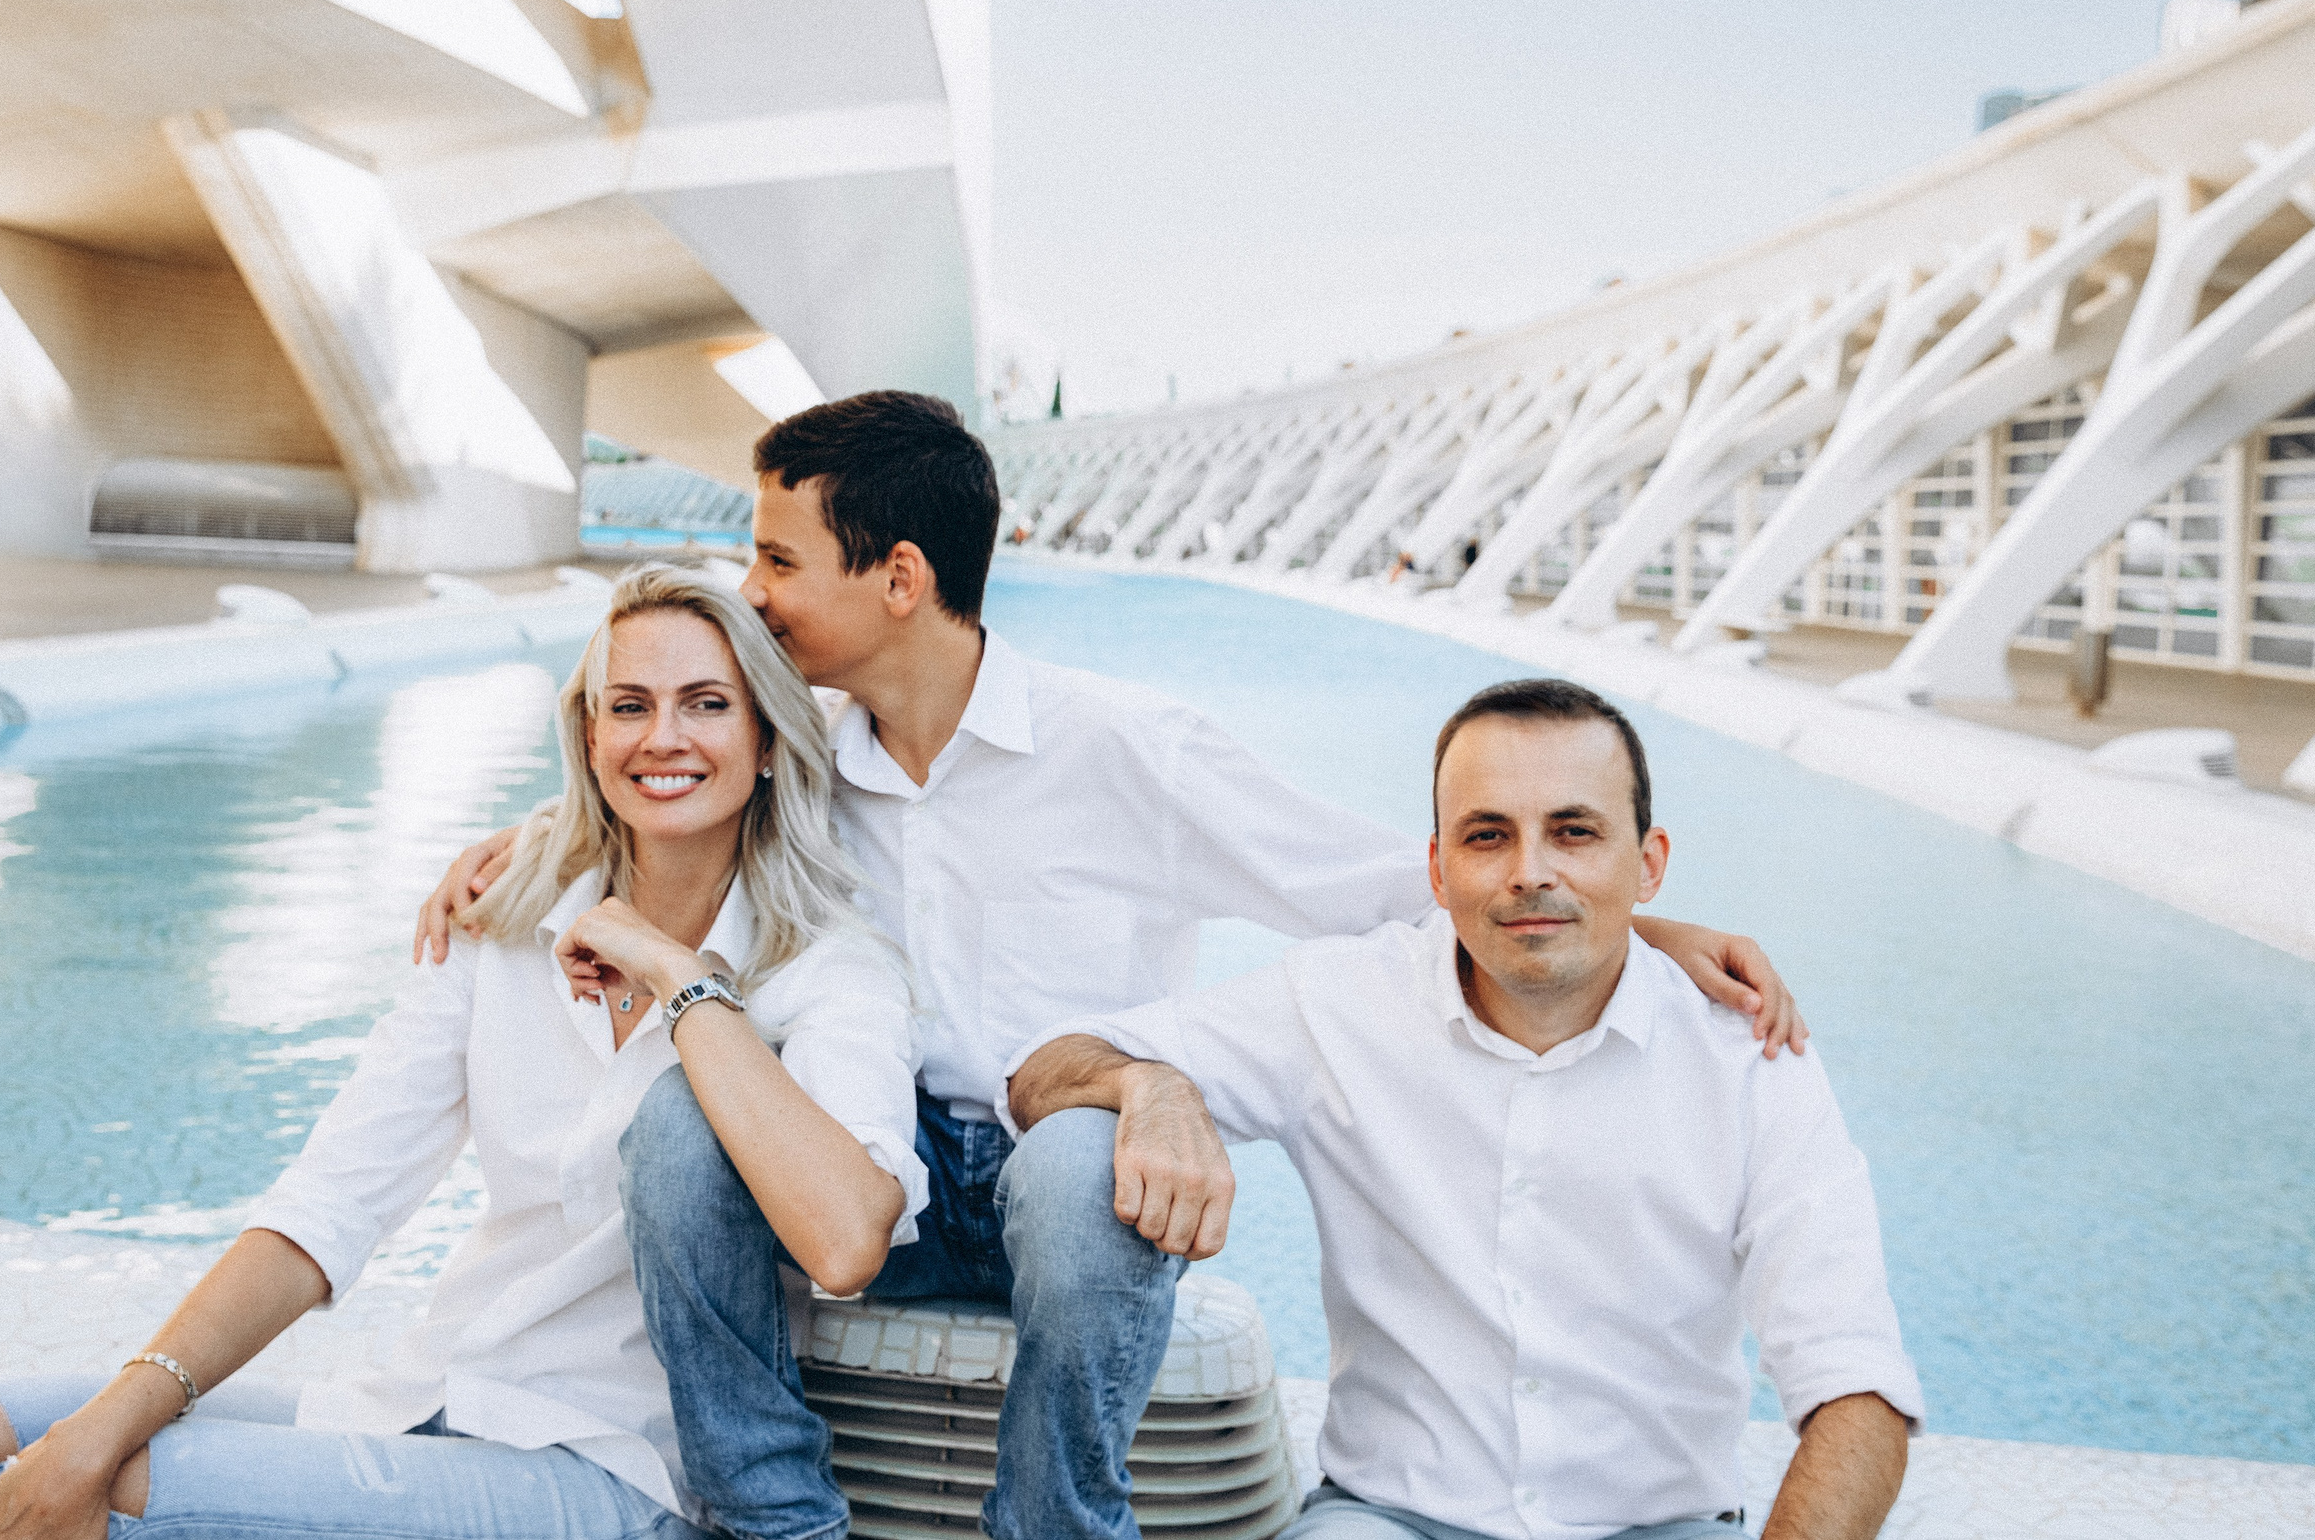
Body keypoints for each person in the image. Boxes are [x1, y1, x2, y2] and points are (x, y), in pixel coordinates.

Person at [414, 391, 1810, 1540]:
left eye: (779, 559)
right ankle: (769, 1520)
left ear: (897, 577)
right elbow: (662, 785)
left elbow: (1378, 884)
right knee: (683, 1118)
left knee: (1082, 1158)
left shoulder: (1129, 748)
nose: (753, 592)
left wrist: (1644, 927)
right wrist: (526, 844)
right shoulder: (803, 756)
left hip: (1069, 1171)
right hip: (875, 1170)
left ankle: (1056, 1528)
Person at [0, 566, 926, 1540]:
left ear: (767, 738)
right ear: (588, 734)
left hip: (619, 1463)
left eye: (706, 704)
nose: (663, 738)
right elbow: (335, 1199)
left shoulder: (831, 969)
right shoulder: (502, 923)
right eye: (629, 705)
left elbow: (847, 1241)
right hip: (434, 1396)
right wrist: (115, 1413)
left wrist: (676, 971)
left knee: (123, 1493)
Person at [1007, 678, 1922, 1540]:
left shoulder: (1748, 1059)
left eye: (1573, 832)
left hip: (1658, 1524)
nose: (1530, 871)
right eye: (1488, 836)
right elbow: (1040, 1067)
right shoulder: (1340, 1002)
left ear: (1649, 864)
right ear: (1438, 871)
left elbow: (1858, 1387)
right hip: (1390, 1518)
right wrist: (1153, 1084)